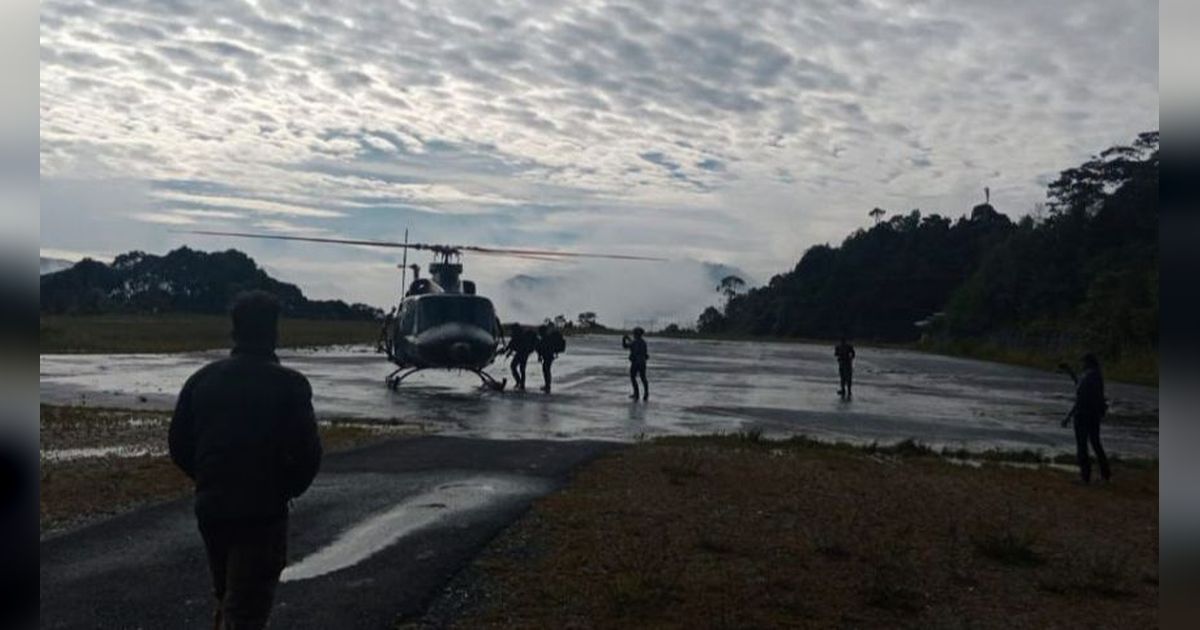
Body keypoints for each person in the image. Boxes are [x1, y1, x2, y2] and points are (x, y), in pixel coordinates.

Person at [169, 291, 323, 630]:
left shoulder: (201, 380)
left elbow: (178, 445)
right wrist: (284, 489)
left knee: (228, 595)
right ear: (274, 332)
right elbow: (309, 455)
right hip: (262, 514)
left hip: (212, 509)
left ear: (234, 331)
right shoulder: (291, 385)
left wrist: (210, 478)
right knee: (247, 610)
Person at [1059, 354, 1111, 484]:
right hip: (1094, 415)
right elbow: (1080, 387)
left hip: (1083, 415)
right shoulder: (1096, 375)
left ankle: (1085, 476)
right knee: (1095, 443)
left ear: (1087, 363)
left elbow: (1080, 397)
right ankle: (1105, 474)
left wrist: (1068, 417)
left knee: (1082, 445)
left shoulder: (1088, 376)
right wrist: (1070, 372)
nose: (1081, 365)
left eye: (1083, 363)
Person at [505, 323, 537, 391]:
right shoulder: (521, 335)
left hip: (521, 354)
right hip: (524, 354)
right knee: (521, 369)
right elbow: (511, 346)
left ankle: (519, 382)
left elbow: (510, 346)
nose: (511, 331)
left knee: (513, 366)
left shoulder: (517, 335)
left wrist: (506, 351)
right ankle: (521, 384)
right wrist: (508, 352)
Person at [536, 324, 565, 393]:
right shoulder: (547, 338)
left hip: (548, 356)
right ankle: (547, 385)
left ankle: (547, 385)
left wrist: (540, 356)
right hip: (549, 356)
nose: (539, 333)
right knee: (546, 370)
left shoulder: (545, 339)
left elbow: (541, 348)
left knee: (546, 370)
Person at [622, 327, 649, 401]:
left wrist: (624, 339)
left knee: (633, 377)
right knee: (643, 378)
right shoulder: (643, 342)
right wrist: (629, 339)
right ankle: (646, 394)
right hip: (643, 362)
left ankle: (636, 394)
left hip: (635, 363)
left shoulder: (634, 342)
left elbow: (626, 346)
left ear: (635, 334)